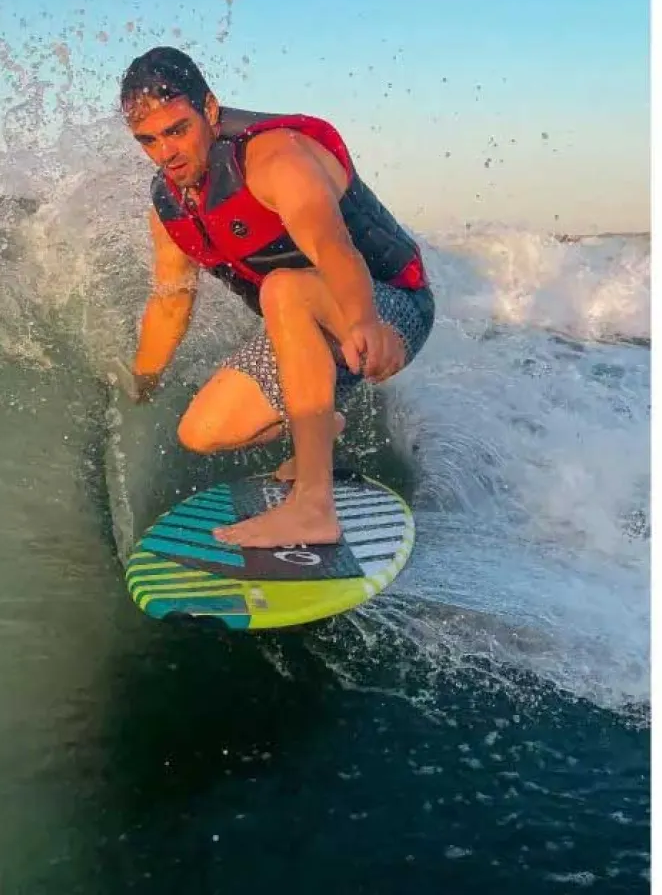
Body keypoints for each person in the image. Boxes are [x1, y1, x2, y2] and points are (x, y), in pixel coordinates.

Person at [122, 46, 435, 548]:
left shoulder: (277, 158)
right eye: (149, 140)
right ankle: (321, 426)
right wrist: (143, 379)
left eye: (177, 130)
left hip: (387, 308)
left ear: (209, 110)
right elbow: (170, 302)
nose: (166, 153)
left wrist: (365, 321)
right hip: (313, 321)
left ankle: (313, 508)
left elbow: (333, 247)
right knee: (202, 431)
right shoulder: (172, 206)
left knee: (283, 287)